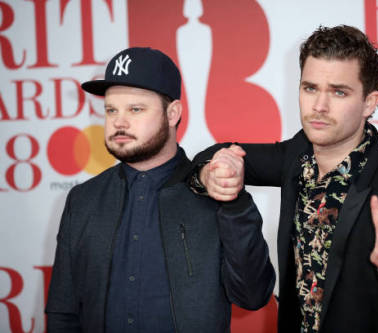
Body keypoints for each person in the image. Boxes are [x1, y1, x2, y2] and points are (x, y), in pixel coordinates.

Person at [193, 25, 378, 332]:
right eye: (310, 88)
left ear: (370, 102)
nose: (319, 107)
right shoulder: (296, 156)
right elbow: (214, 153)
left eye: (339, 92)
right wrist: (214, 169)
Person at [45, 47, 275, 333]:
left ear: (173, 113)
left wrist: (234, 202)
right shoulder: (83, 199)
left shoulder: (215, 191)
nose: (119, 122)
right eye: (111, 110)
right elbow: (62, 311)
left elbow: (253, 296)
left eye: (136, 109)